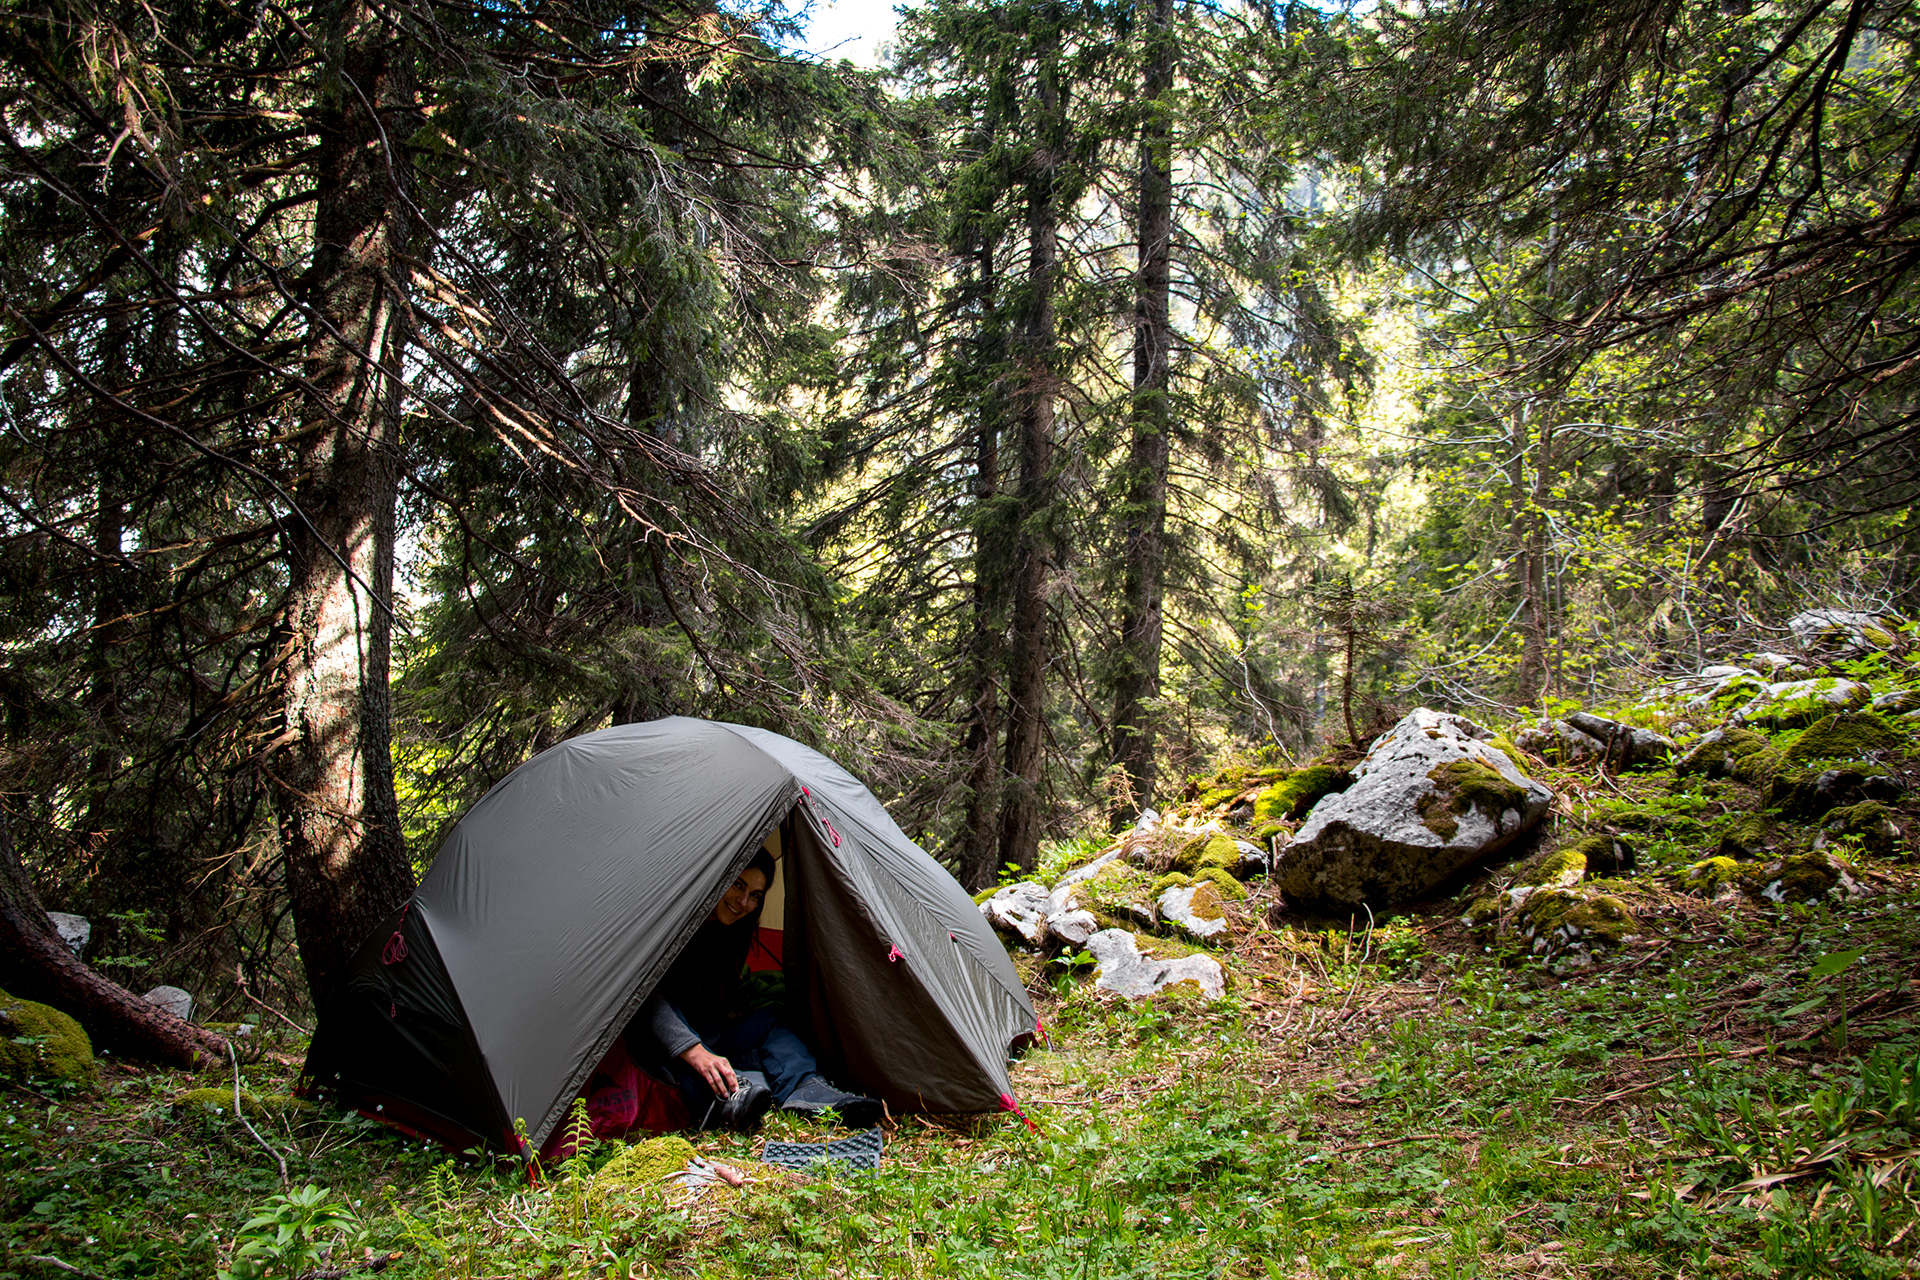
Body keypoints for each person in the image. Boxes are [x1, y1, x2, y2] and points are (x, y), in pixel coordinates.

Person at [636, 850, 883, 1132]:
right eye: (738, 884)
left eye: (755, 895)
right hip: (664, 1047)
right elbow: (643, 997)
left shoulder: (728, 934)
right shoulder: (667, 924)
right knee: (673, 1019)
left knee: (770, 1020)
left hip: (711, 1038)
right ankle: (724, 1099)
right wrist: (693, 1050)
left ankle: (806, 1091)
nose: (743, 902)